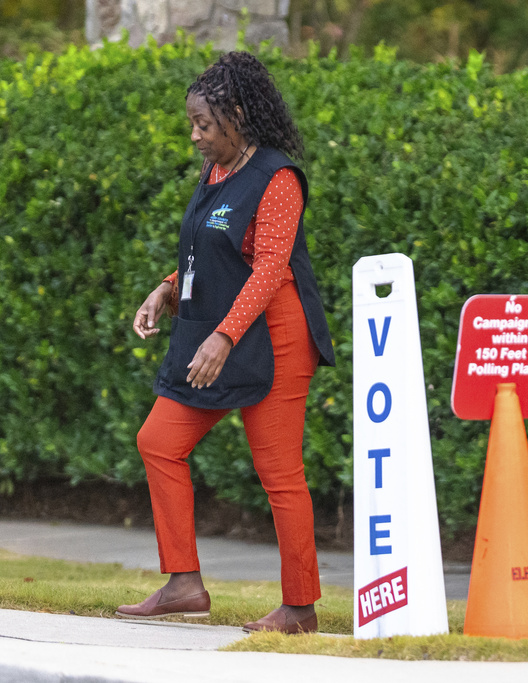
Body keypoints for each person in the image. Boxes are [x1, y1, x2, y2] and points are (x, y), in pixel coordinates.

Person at [117, 51, 335, 635]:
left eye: (204, 125)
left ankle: (300, 607)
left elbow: (269, 267)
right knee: (158, 441)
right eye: (192, 123)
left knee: (280, 473)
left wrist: (222, 337)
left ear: (238, 116)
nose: (194, 136)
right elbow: (210, 256)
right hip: (219, 328)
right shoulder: (214, 172)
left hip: (277, 337)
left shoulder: (277, 177)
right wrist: (165, 290)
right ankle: (183, 583)